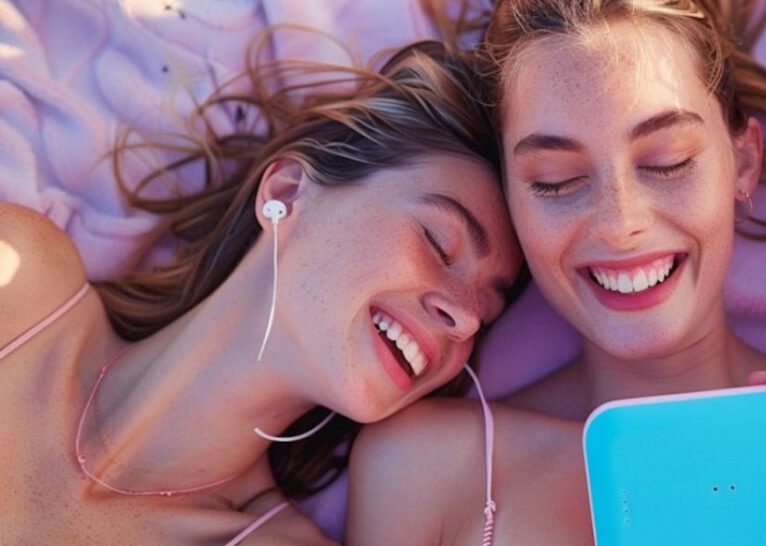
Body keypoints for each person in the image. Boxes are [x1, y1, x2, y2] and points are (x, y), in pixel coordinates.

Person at [347, 2, 766, 544]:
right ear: (510, 199)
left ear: (744, 162)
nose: (619, 222)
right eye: (556, 180)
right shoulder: (427, 467)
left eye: (666, 161)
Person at [0, 40, 521, 544]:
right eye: (437, 241)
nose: (467, 320)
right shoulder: (24, 284)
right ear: (287, 192)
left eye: (488, 310)